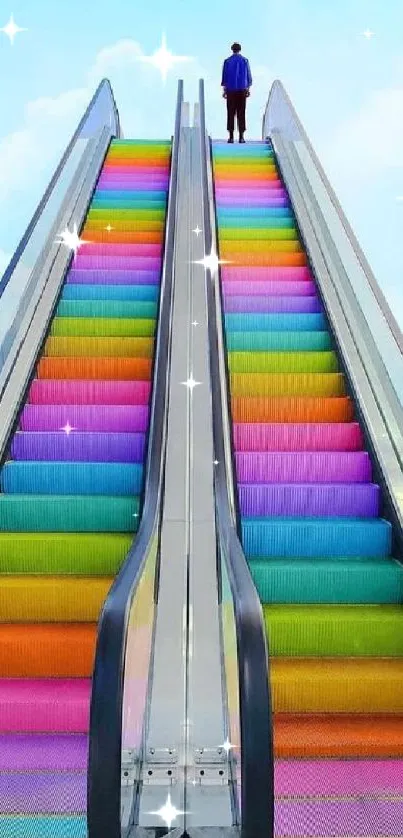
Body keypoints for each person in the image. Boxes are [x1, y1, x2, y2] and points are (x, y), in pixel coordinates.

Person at [221, 43, 252, 143]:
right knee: (241, 113)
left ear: (232, 50)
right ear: (240, 50)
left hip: (230, 90)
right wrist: (248, 88)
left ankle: (230, 137)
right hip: (242, 89)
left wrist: (225, 90)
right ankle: (241, 137)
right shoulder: (245, 61)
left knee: (230, 113)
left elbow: (224, 76)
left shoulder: (227, 61)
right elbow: (248, 76)